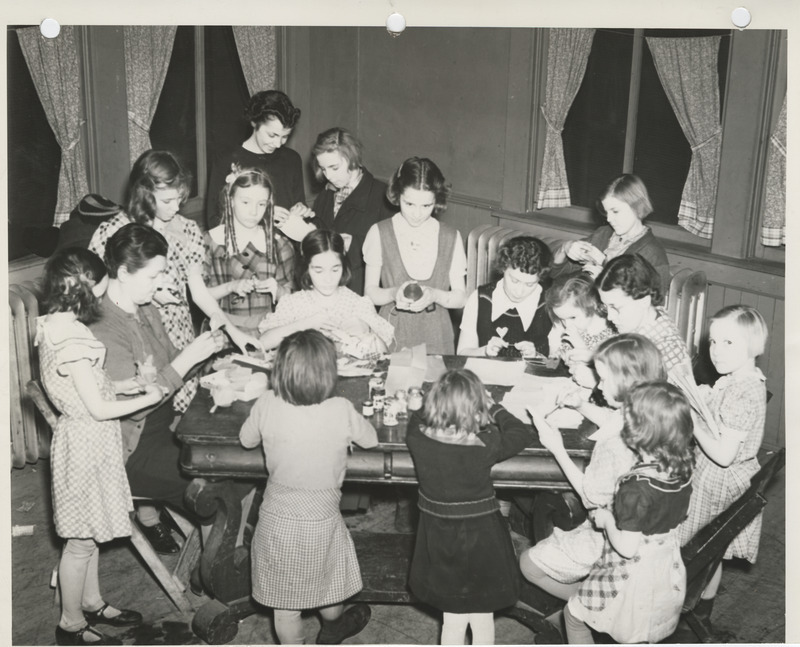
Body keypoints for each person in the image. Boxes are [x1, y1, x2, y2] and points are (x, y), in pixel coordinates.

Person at [36, 247, 163, 645]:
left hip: (90, 439)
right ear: (83, 289)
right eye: (100, 292)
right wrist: (150, 396)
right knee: (78, 543)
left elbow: (89, 386)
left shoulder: (58, 322)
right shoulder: (70, 339)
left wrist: (128, 385)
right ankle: (70, 624)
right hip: (86, 443)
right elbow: (97, 406)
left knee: (88, 535)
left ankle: (91, 601)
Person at [89, 150, 261, 414]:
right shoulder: (113, 231)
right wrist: (150, 291)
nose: (176, 207)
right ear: (144, 194)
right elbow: (95, 293)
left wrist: (232, 330)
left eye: (180, 198)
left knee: (178, 409)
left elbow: (199, 292)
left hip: (176, 333)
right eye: (167, 200)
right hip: (130, 337)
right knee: (143, 404)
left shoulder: (187, 230)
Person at [90, 223, 226, 554]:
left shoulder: (146, 307)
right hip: (130, 449)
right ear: (123, 272)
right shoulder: (104, 326)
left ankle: (224, 552)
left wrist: (208, 360)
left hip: (164, 428)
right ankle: (217, 574)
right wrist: (190, 359)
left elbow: (169, 363)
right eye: (153, 276)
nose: (161, 283)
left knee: (230, 460)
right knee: (214, 487)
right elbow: (136, 403)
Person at [239, 329, 376, 644]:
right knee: (330, 583)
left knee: (285, 604)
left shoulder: (266, 402)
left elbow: (246, 440)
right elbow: (371, 439)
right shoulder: (340, 408)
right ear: (330, 373)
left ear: (279, 370)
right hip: (322, 519)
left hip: (276, 518)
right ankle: (333, 627)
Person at [522, 334, 667, 603]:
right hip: (653, 531)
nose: (598, 386)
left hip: (615, 541)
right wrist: (581, 405)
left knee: (528, 565)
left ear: (627, 381)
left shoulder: (615, 445)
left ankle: (588, 606)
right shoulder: (651, 413)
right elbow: (616, 419)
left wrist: (556, 448)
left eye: (603, 378)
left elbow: (590, 498)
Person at [559, 381, 694, 644]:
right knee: (641, 632)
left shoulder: (635, 489)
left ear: (635, 432)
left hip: (630, 576)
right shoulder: (682, 468)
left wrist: (608, 520)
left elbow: (627, 548)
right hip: (665, 566)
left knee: (574, 614)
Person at [406, 369, 532, 645]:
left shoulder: (417, 437)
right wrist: (494, 407)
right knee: (482, 616)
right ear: (476, 409)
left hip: (438, 537)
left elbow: (417, 417)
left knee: (452, 616)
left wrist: (434, 400)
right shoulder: (485, 444)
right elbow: (521, 433)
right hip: (482, 540)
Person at [677, 306, 769, 635]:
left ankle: (681, 606)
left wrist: (693, 416)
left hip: (717, 483)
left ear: (753, 345)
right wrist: (702, 396)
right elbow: (723, 413)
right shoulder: (738, 379)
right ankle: (700, 615)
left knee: (690, 548)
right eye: (713, 341)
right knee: (708, 555)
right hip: (721, 479)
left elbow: (723, 455)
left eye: (728, 343)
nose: (716, 351)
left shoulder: (744, 394)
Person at [363, 157, 467, 355]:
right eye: (409, 204)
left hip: (437, 334)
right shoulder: (379, 232)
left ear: (437, 200)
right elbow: (370, 293)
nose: (417, 214)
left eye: (427, 206)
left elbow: (461, 298)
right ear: (397, 194)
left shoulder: (450, 237)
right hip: (391, 331)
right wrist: (394, 293)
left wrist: (435, 295)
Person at [258, 229, 394, 355]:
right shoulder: (293, 304)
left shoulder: (357, 304)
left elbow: (385, 355)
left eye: (335, 270)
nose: (328, 279)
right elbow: (263, 343)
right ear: (306, 268)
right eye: (318, 270)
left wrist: (367, 331)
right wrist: (304, 324)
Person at [207, 89, 313, 230]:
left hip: (285, 247)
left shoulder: (292, 159)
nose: (278, 144)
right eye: (272, 135)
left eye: (285, 136)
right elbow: (214, 220)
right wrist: (263, 216)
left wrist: (300, 210)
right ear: (254, 122)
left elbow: (298, 204)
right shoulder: (225, 160)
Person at [551, 174, 670, 296]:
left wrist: (605, 272)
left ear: (637, 206)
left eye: (615, 211)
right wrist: (565, 248)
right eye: (606, 212)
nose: (608, 218)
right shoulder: (603, 234)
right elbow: (555, 274)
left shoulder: (654, 255)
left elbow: (648, 306)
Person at [204, 166, 296, 323]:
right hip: (224, 330)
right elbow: (198, 296)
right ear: (230, 200)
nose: (254, 212)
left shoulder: (279, 245)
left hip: (269, 330)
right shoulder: (210, 241)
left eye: (261, 204)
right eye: (245, 202)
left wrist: (278, 290)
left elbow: (294, 301)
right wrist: (230, 287)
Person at [311, 127, 394, 295]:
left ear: (352, 159)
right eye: (323, 168)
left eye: (334, 167)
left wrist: (356, 244)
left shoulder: (384, 197)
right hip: (326, 290)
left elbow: (393, 254)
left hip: (360, 292)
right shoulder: (326, 194)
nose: (328, 176)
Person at [596, 254, 690, 380]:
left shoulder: (663, 350)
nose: (610, 317)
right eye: (606, 307)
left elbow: (637, 396)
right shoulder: (642, 322)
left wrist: (595, 380)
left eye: (615, 308)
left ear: (644, 301)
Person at [457, 236, 554, 358]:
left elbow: (557, 364)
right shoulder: (480, 298)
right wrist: (484, 351)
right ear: (503, 268)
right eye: (514, 280)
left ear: (541, 278)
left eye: (530, 284)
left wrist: (537, 357)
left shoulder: (550, 302)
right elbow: (462, 354)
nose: (519, 291)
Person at [545, 273, 615, 387]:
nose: (567, 325)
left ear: (592, 304)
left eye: (572, 317)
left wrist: (580, 346)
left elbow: (607, 373)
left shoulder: (611, 331)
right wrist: (553, 357)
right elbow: (555, 359)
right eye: (562, 320)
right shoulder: (576, 326)